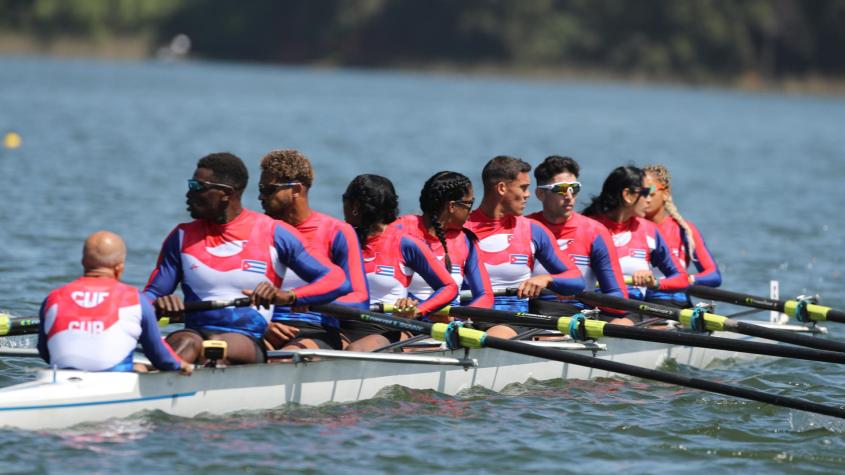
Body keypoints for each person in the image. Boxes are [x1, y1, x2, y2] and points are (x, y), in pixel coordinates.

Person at [144, 152, 349, 365]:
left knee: (213, 346)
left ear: (225, 193)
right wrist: (159, 303)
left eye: (197, 186)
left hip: (247, 339)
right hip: (193, 333)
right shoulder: (180, 237)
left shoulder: (275, 233)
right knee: (185, 341)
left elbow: (337, 281)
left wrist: (288, 296)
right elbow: (151, 294)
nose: (188, 193)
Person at [258, 149, 370, 350]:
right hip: (264, 327)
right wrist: (262, 324)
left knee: (288, 355)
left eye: (269, 190)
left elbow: (360, 300)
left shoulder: (337, 232)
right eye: (260, 188)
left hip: (314, 328)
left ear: (296, 190)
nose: (260, 196)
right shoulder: (256, 231)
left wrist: (307, 299)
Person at [465, 155, 585, 338]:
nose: (528, 194)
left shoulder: (533, 230)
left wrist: (547, 279)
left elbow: (576, 280)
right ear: (502, 188)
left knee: (498, 334)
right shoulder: (462, 229)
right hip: (466, 319)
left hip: (514, 321)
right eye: (523, 187)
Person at [38, 231, 191, 374]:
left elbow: (45, 352)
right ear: (120, 268)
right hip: (115, 384)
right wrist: (181, 365)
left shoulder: (53, 298)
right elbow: (159, 356)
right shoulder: (136, 300)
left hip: (62, 381)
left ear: (83, 262)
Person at [342, 174, 459, 351]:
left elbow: (449, 287)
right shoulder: (339, 238)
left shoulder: (405, 244)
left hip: (384, 330)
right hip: (340, 325)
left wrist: (418, 310)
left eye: (345, 200)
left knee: (355, 350)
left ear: (356, 206)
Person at [527, 156, 631, 324]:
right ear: (540, 194)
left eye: (574, 188)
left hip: (580, 315)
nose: (569, 196)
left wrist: (575, 293)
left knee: (624, 324)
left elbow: (618, 300)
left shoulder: (595, 232)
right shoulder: (526, 228)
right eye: (561, 189)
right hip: (536, 314)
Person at [582, 166, 688, 312]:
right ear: (627, 195)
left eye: (652, 194)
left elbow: (681, 278)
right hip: (587, 309)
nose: (649, 200)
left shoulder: (649, 230)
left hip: (630, 311)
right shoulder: (586, 227)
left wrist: (654, 283)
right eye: (645, 193)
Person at [394, 171, 494, 316]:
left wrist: (460, 321)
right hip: (406, 321)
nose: (470, 212)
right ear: (452, 206)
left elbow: (485, 296)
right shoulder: (400, 229)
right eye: (469, 204)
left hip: (447, 325)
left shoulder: (466, 240)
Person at [642, 164, 721, 307]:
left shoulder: (684, 229)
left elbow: (714, 276)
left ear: (665, 193)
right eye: (641, 192)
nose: (645, 198)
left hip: (678, 303)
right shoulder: (633, 229)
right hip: (643, 303)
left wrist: (687, 279)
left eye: (650, 192)